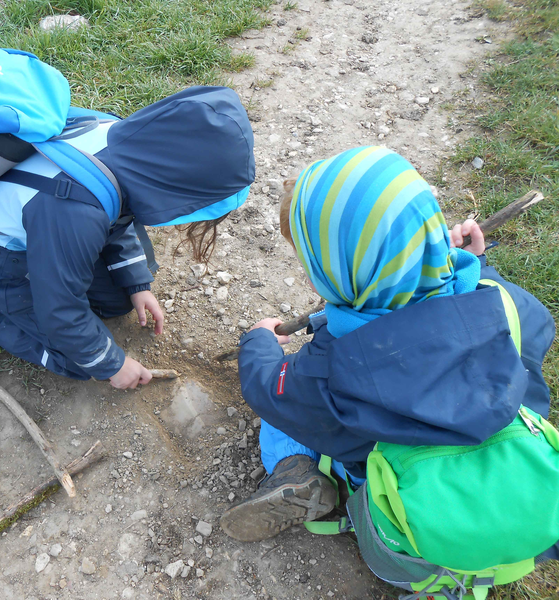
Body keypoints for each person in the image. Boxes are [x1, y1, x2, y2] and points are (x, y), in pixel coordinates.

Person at [220, 145, 555, 543]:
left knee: (284, 408)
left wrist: (258, 343)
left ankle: (294, 468)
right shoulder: (514, 307)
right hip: (511, 493)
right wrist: (479, 265)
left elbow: (268, 388)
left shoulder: (333, 367)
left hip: (403, 522)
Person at [0, 87, 255, 389]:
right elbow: (60, 309)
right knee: (78, 362)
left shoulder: (123, 140)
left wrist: (137, 284)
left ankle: (49, 285)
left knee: (118, 301)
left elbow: (117, 213)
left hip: (52, 230)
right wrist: (113, 365)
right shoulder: (75, 212)